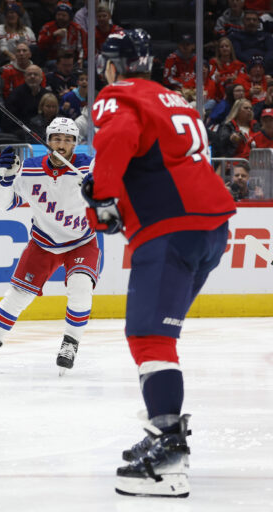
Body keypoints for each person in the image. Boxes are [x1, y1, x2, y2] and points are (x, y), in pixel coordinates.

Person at [89, 29, 236, 498]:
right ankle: (162, 430)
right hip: (211, 226)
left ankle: (169, 453)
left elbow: (118, 140)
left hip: (171, 227)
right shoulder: (175, 99)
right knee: (160, 335)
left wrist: (104, 196)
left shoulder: (117, 97)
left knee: (150, 337)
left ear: (113, 65)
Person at [0, 117, 96, 374]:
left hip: (81, 241)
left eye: (68, 140)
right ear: (48, 141)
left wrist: (99, 186)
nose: (62, 144)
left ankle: (71, 342)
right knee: (18, 296)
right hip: (44, 241)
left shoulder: (89, 166)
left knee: (80, 287)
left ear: (75, 144)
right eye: (56, 139)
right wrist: (4, 181)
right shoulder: (29, 169)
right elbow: (3, 205)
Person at [3, 64, 49, 134]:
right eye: (29, 74)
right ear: (24, 77)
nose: (32, 76)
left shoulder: (47, 95)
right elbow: (9, 119)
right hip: (21, 131)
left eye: (35, 74)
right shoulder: (15, 95)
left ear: (41, 78)